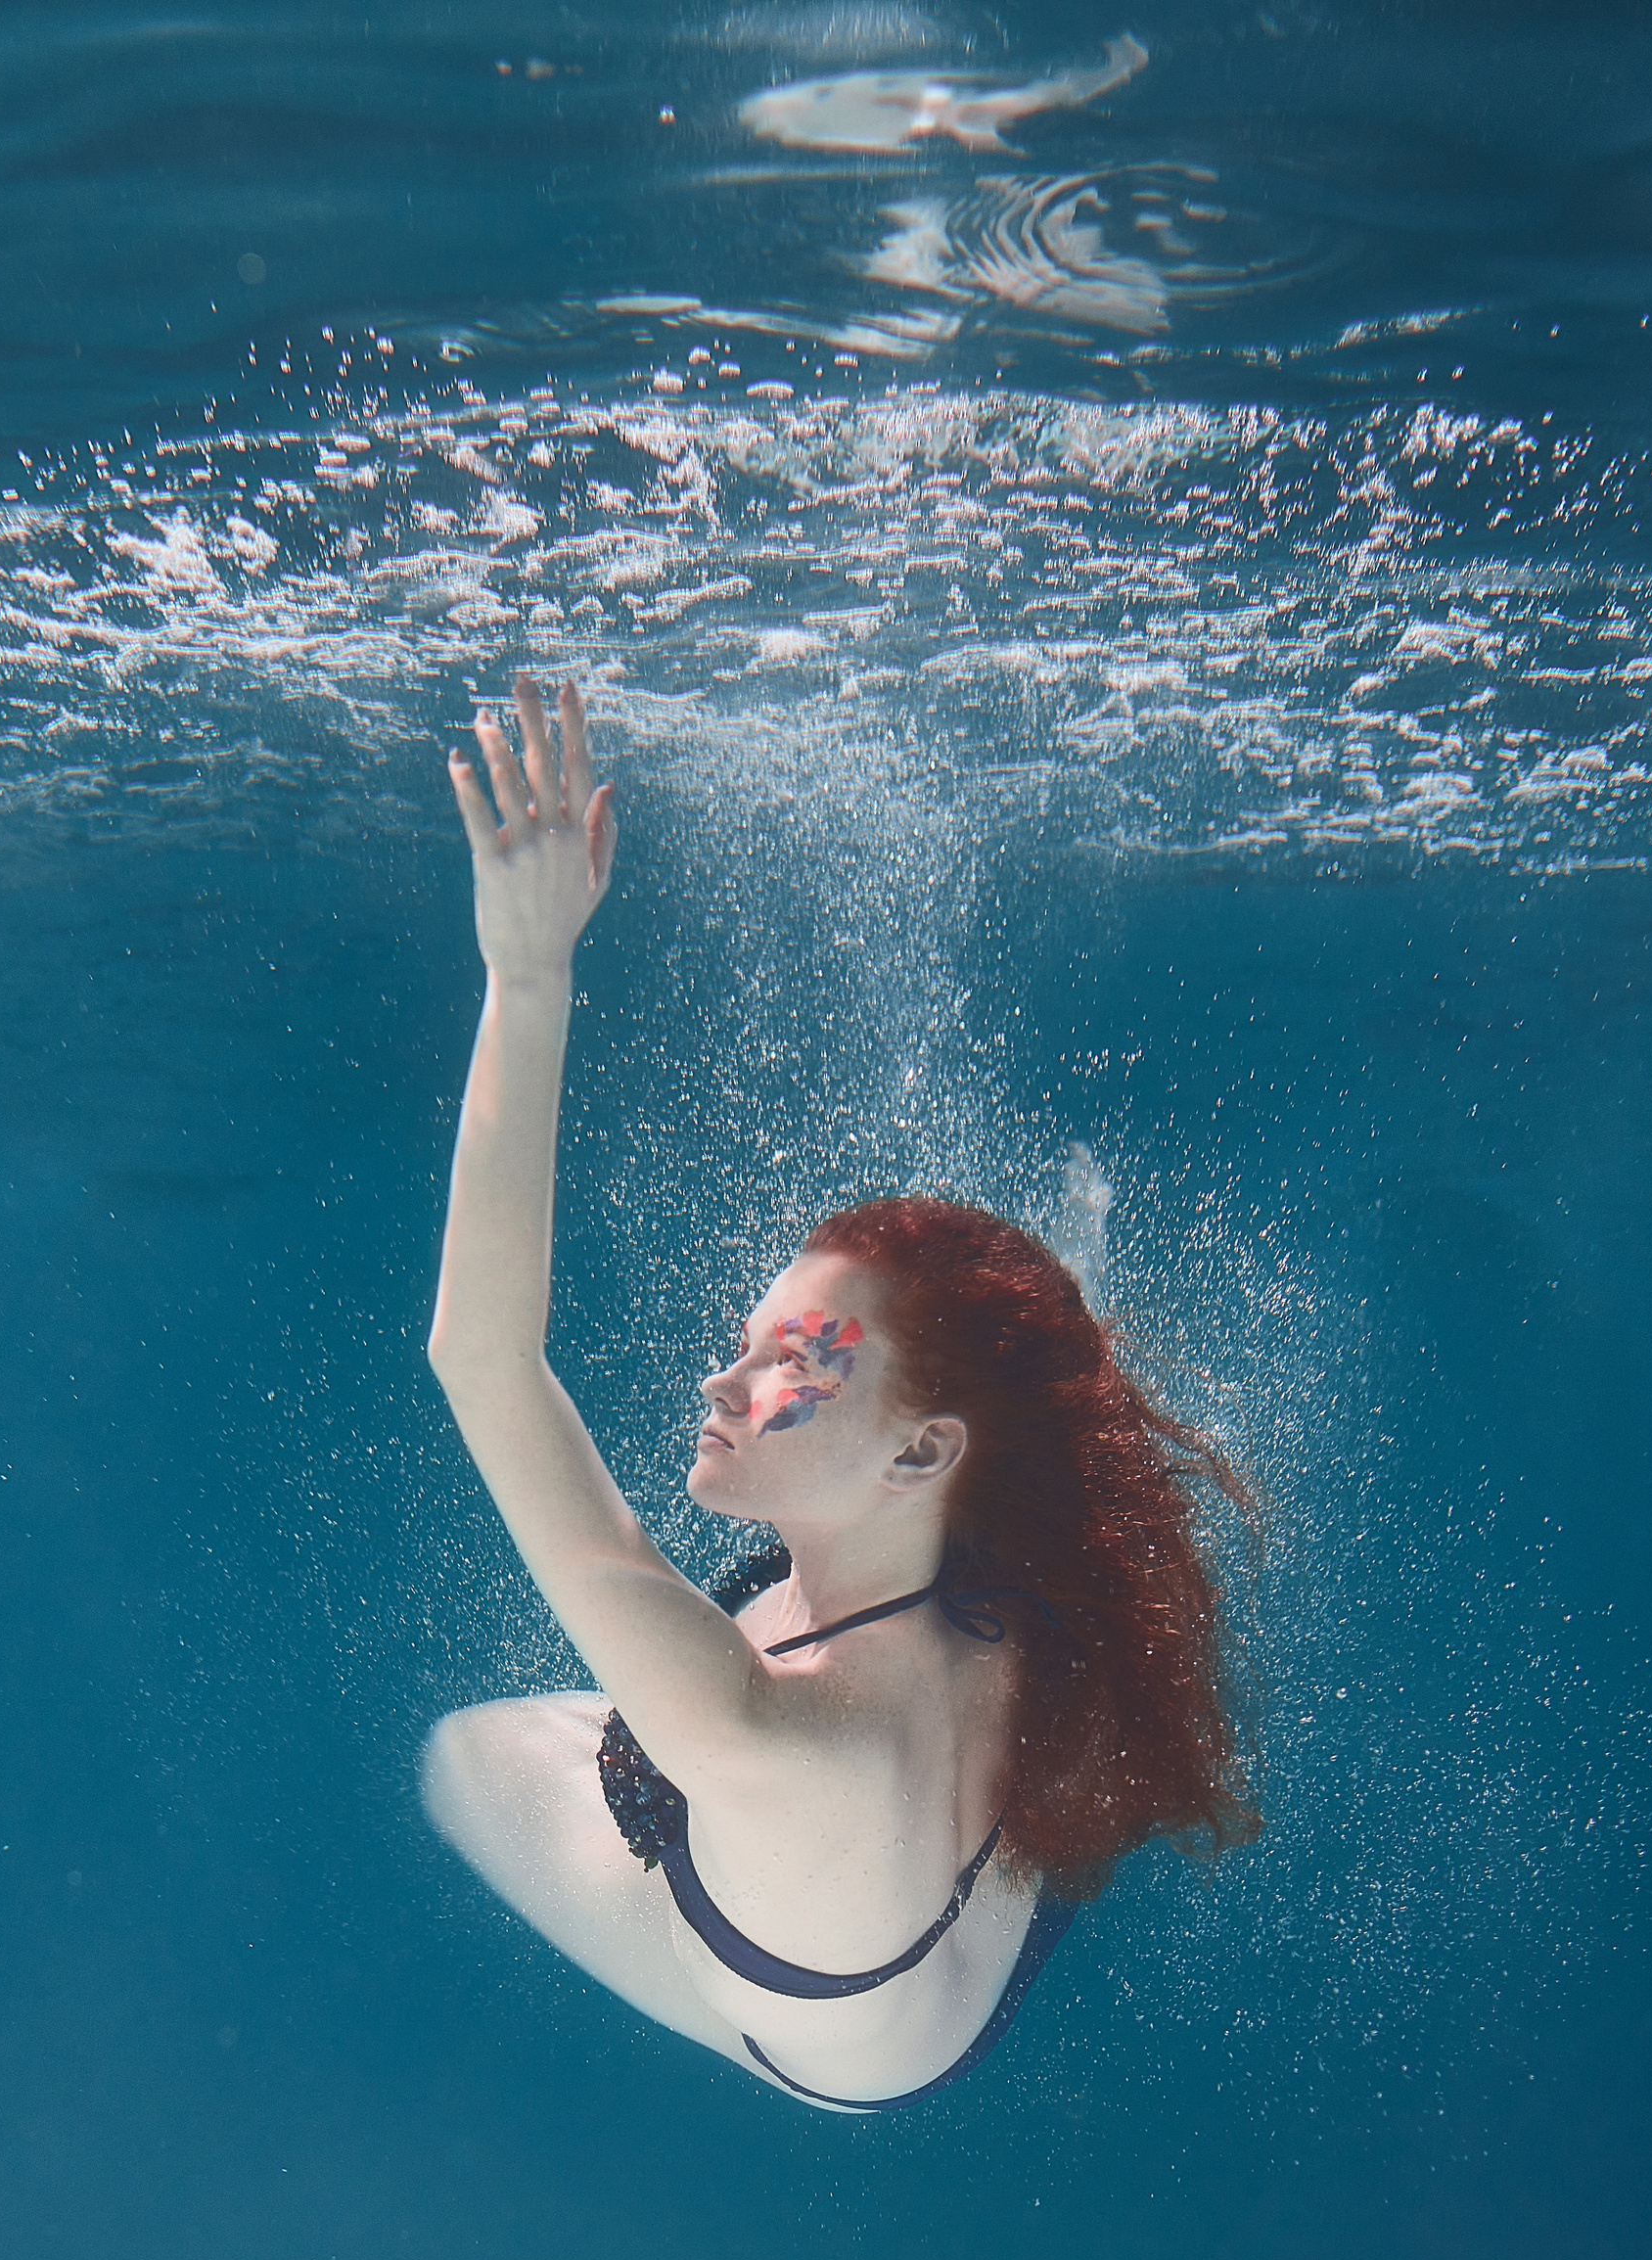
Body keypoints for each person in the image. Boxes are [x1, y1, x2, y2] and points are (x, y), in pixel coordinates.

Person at [420, 676, 1257, 2111]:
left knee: (470, 1753)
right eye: (753, 1339)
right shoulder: (1002, 1562)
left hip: (849, 2042)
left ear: (926, 1450)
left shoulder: (767, 1735)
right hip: (964, 1914)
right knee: (651, 1693)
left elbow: (480, 1359)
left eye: (794, 1363)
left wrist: (529, 970)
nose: (724, 1377)